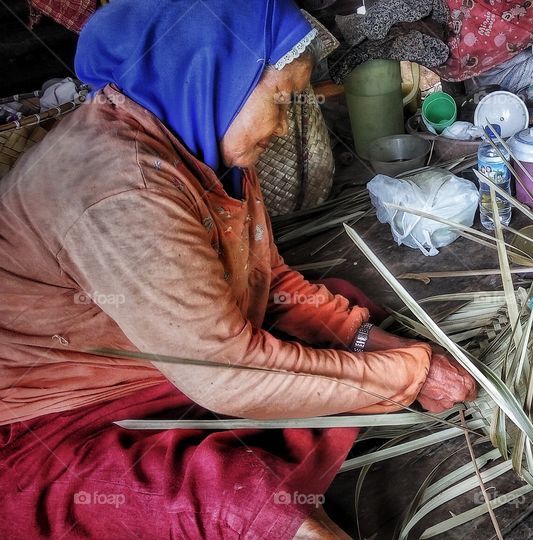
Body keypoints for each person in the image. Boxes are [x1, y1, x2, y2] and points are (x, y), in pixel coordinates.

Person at [0, 1, 476, 538]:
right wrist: (408, 375)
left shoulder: (200, 144)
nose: (282, 123)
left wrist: (367, 342)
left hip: (166, 360)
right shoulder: (121, 189)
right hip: (51, 419)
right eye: (278, 100)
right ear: (211, 74)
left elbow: (269, 281)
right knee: (227, 498)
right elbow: (228, 373)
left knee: (344, 313)